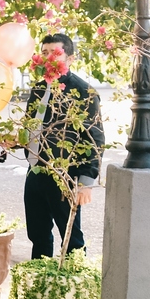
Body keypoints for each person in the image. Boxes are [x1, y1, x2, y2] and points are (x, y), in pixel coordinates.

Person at [22, 33, 104, 259]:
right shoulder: (39, 89)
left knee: (72, 239)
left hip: (65, 174)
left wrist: (85, 182)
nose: (48, 58)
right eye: (44, 53)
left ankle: (75, 279)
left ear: (70, 58)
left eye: (54, 53)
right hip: (35, 170)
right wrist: (17, 140)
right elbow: (32, 126)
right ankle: (40, 277)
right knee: (37, 234)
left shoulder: (83, 92)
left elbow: (94, 139)